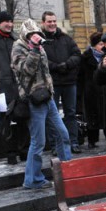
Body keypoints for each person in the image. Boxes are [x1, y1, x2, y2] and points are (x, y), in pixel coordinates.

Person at [11, 18, 71, 189]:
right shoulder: (18, 47)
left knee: (62, 134)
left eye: (37, 33)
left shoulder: (40, 46)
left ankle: (67, 171)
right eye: (31, 34)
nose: (35, 36)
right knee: (38, 142)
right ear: (25, 34)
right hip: (33, 100)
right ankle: (32, 180)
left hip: (47, 97)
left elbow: (45, 71)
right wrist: (34, 50)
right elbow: (26, 70)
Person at [0, 11, 29, 165]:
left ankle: (24, 151)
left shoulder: (17, 40)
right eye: (5, 22)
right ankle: (10, 153)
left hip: (19, 88)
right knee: (5, 122)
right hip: (1, 90)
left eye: (11, 21)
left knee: (23, 120)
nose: (9, 24)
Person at [41, 11, 82, 153]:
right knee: (52, 115)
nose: (52, 24)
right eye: (49, 21)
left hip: (69, 82)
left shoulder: (66, 38)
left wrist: (67, 64)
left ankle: (73, 142)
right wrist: (56, 67)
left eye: (54, 21)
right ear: (43, 23)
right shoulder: (40, 41)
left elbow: (77, 55)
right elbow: (41, 60)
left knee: (71, 113)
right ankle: (55, 145)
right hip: (52, 84)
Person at [77, 32, 106, 148]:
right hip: (91, 91)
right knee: (92, 116)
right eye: (100, 44)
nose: (103, 46)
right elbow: (80, 77)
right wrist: (81, 93)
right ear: (94, 46)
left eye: (104, 44)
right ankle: (92, 140)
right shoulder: (85, 58)